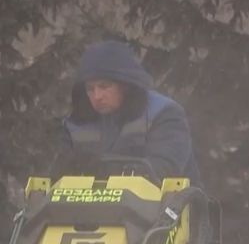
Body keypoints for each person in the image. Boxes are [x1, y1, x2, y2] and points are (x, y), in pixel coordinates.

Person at [59, 39, 201, 185]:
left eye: (104, 86)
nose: (97, 96)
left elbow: (164, 172)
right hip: (87, 206)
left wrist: (101, 171)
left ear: (126, 85)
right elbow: (58, 178)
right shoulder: (75, 125)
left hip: (170, 205)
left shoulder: (164, 114)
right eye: (90, 89)